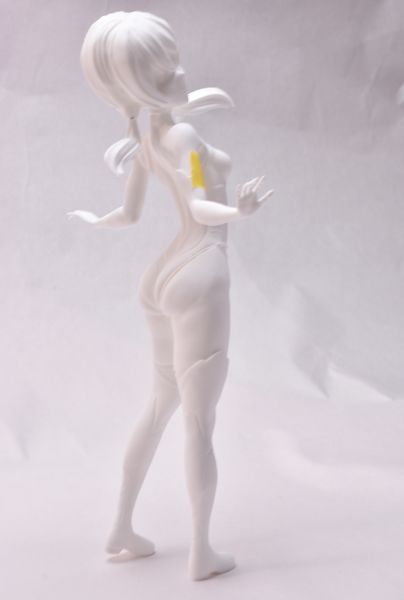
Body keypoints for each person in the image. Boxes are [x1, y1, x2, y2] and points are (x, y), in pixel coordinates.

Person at [68, 10, 272, 581]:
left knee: (159, 407)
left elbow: (129, 214)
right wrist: (238, 211)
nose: (180, 74)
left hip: (162, 276)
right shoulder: (181, 136)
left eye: (174, 61)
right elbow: (201, 202)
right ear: (137, 86)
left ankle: (121, 528)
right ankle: (202, 552)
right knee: (199, 423)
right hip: (201, 268)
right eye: (163, 71)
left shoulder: (145, 137)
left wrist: (97, 219)